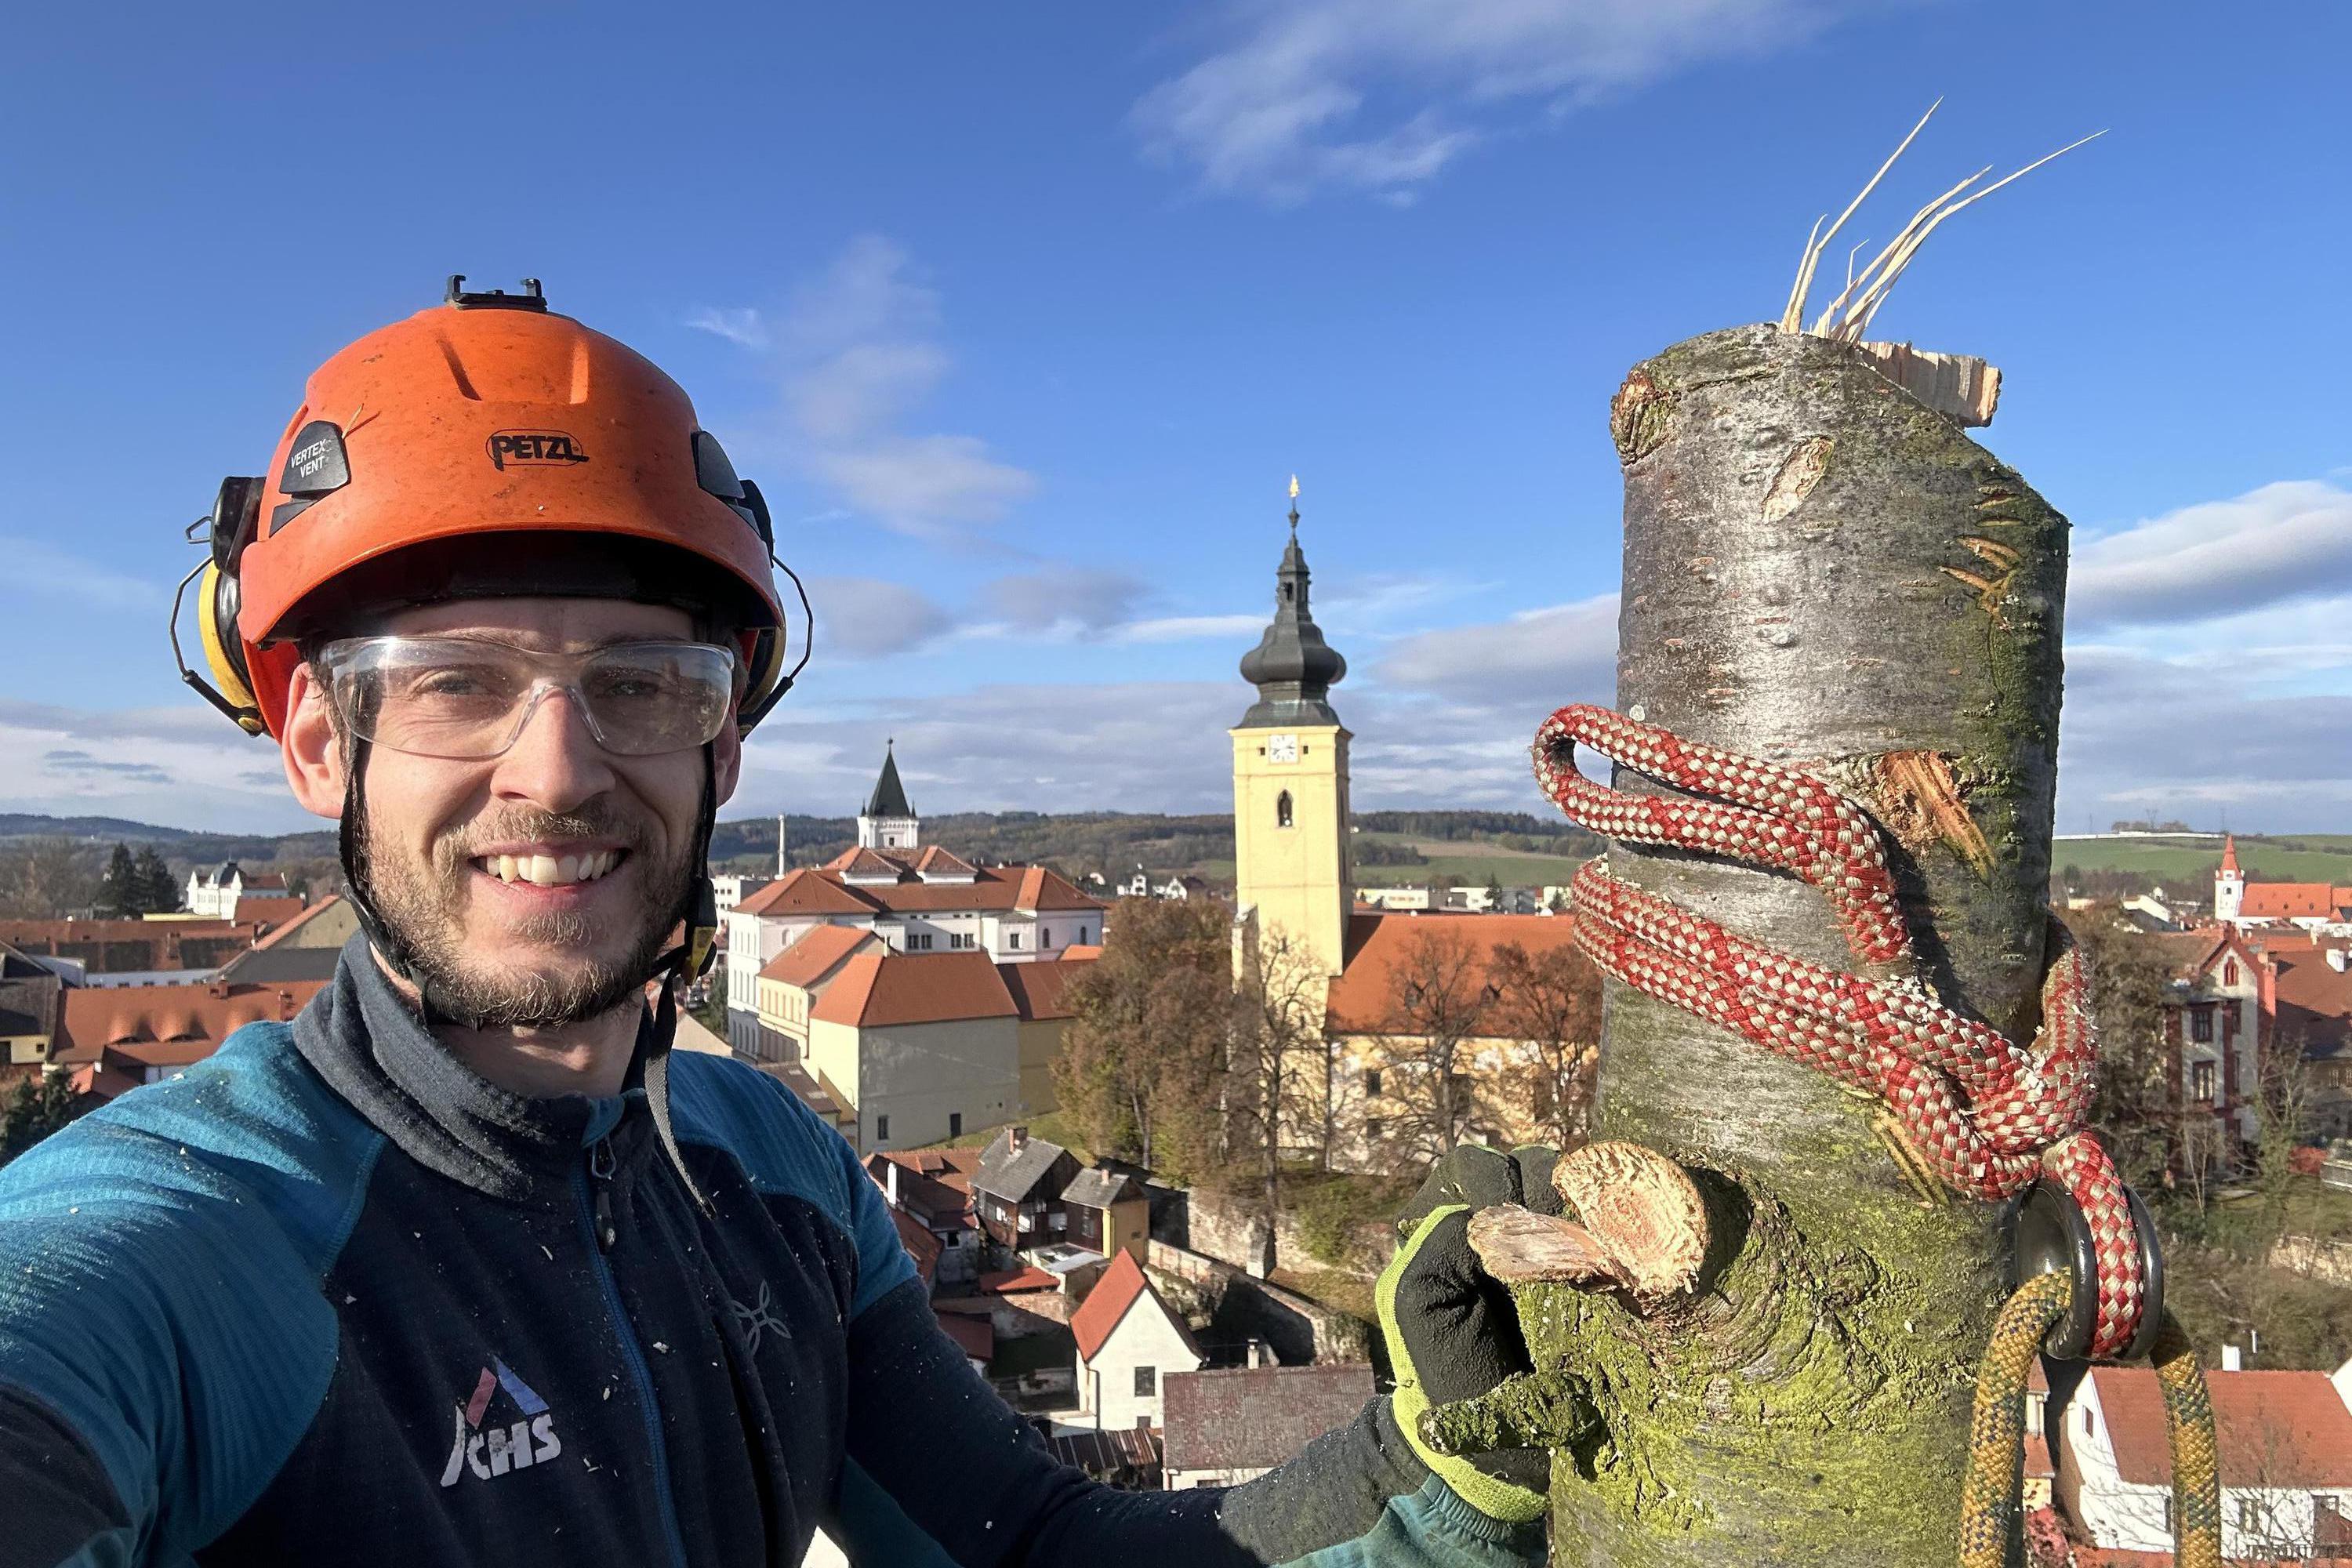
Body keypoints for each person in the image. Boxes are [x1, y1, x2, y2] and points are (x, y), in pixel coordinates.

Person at [0, 280, 1557, 1566]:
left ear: (722, 745)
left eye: (639, 684)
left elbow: (1021, 1547)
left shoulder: (768, 1163)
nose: (555, 770)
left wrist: (1441, 1465)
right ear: (319, 742)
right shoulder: (193, 1236)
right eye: (455, 680)